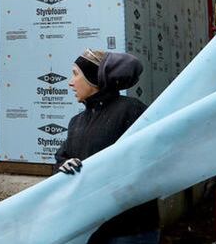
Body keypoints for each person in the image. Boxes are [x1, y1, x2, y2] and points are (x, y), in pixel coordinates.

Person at [55, 49, 160, 244]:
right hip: (91, 228)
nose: (70, 82)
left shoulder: (131, 110)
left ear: (94, 78)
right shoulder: (76, 122)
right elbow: (62, 158)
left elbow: (150, 159)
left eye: (76, 74)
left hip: (130, 229)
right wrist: (64, 165)